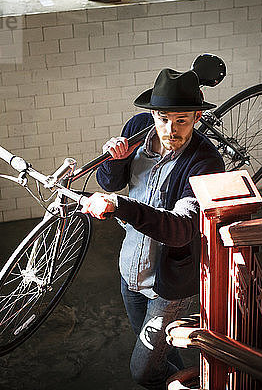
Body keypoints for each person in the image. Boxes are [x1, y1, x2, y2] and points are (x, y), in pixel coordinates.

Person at [81, 68, 224, 389]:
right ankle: (190, 382)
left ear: (197, 117)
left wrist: (121, 206)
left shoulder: (206, 162)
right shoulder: (135, 129)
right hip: (129, 271)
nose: (169, 129)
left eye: (181, 121)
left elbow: (183, 228)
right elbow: (110, 182)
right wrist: (115, 159)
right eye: (162, 118)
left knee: (143, 371)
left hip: (169, 286)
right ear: (152, 114)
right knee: (159, 357)